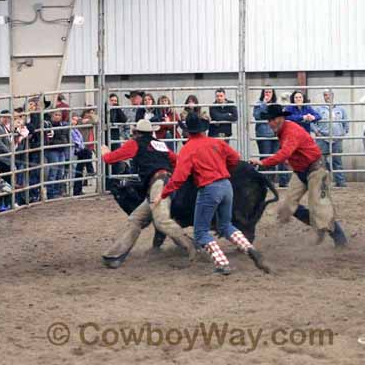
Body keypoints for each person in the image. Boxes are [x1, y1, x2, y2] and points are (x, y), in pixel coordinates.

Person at [157, 112, 269, 275]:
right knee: (226, 225)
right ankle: (249, 248)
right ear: (203, 129)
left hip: (209, 189)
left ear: (187, 131)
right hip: (226, 186)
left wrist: (163, 193)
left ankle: (222, 264)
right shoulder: (217, 143)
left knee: (201, 232)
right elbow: (235, 159)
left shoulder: (188, 149)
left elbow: (179, 178)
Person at [100, 119, 196, 269]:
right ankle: (114, 255)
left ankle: (193, 247)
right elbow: (177, 160)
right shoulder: (161, 144)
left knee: (161, 220)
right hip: (163, 183)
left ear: (136, 133)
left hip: (157, 185)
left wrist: (104, 151)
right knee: (136, 219)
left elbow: (110, 159)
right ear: (151, 132)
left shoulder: (135, 143)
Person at [249, 104, 348, 248]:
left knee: (320, 208)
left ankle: (340, 239)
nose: (270, 123)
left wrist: (262, 162)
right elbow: (289, 152)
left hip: (316, 170)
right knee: (288, 207)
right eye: (268, 120)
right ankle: (318, 226)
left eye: (272, 119)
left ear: (281, 118)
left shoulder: (290, 131)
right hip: (301, 170)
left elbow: (284, 153)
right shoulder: (283, 130)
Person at [253, 87, 290, 187]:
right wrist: (263, 104)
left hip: (276, 134)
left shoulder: (276, 104)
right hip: (264, 134)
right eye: (266, 92)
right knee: (265, 157)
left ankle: (271, 181)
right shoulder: (258, 103)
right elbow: (257, 115)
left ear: (273, 93)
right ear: (263, 93)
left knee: (275, 158)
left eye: (270, 92)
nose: (268, 94)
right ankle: (264, 181)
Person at [312, 89, 348, 187]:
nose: (328, 97)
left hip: (337, 138)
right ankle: (324, 182)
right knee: (321, 160)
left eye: (329, 95)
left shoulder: (341, 109)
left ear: (333, 96)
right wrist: (316, 131)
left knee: (337, 160)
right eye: (326, 95)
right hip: (323, 138)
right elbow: (312, 122)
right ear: (324, 97)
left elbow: (346, 122)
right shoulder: (319, 110)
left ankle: (340, 182)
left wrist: (343, 133)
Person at [0, 110, 15, 209]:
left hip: (2, 159)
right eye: (4, 117)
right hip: (0, 159)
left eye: (8, 118)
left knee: (5, 182)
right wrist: (8, 151)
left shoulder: (1, 127)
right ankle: (3, 203)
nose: (6, 119)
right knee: (5, 182)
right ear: (0, 117)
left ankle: (5, 203)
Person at [44, 111, 69, 199]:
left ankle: (58, 191)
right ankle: (51, 193)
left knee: (60, 172)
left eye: (59, 115)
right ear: (51, 116)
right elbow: (48, 140)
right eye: (56, 115)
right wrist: (61, 142)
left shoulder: (62, 125)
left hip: (61, 149)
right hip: (52, 150)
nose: (57, 117)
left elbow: (64, 136)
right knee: (53, 172)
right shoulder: (48, 125)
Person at [71, 113, 94, 196]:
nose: (75, 121)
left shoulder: (75, 129)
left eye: (76, 119)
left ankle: (77, 190)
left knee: (79, 169)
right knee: (87, 153)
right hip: (74, 151)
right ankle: (90, 170)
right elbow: (76, 141)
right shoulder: (70, 128)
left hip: (78, 150)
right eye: (73, 119)